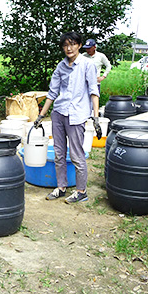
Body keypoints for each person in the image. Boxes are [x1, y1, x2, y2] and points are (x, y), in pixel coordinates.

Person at [34, 32, 102, 204]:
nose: (69, 48)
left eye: (72, 44)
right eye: (65, 45)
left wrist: (96, 118)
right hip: (59, 113)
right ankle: (62, 187)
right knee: (58, 153)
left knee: (77, 154)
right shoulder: (61, 67)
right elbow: (52, 93)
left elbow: (94, 91)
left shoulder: (87, 65)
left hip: (77, 115)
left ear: (79, 45)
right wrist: (41, 115)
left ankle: (81, 191)